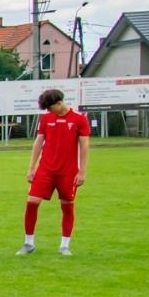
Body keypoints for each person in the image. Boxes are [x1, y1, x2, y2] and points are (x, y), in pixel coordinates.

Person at [19, 87, 90, 256]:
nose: (49, 111)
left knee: (67, 206)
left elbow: (84, 145)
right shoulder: (46, 118)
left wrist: (82, 171)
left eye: (51, 108)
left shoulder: (79, 119)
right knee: (31, 202)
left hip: (68, 172)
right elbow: (38, 142)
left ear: (59, 103)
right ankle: (28, 243)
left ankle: (64, 246)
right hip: (46, 170)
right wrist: (31, 168)